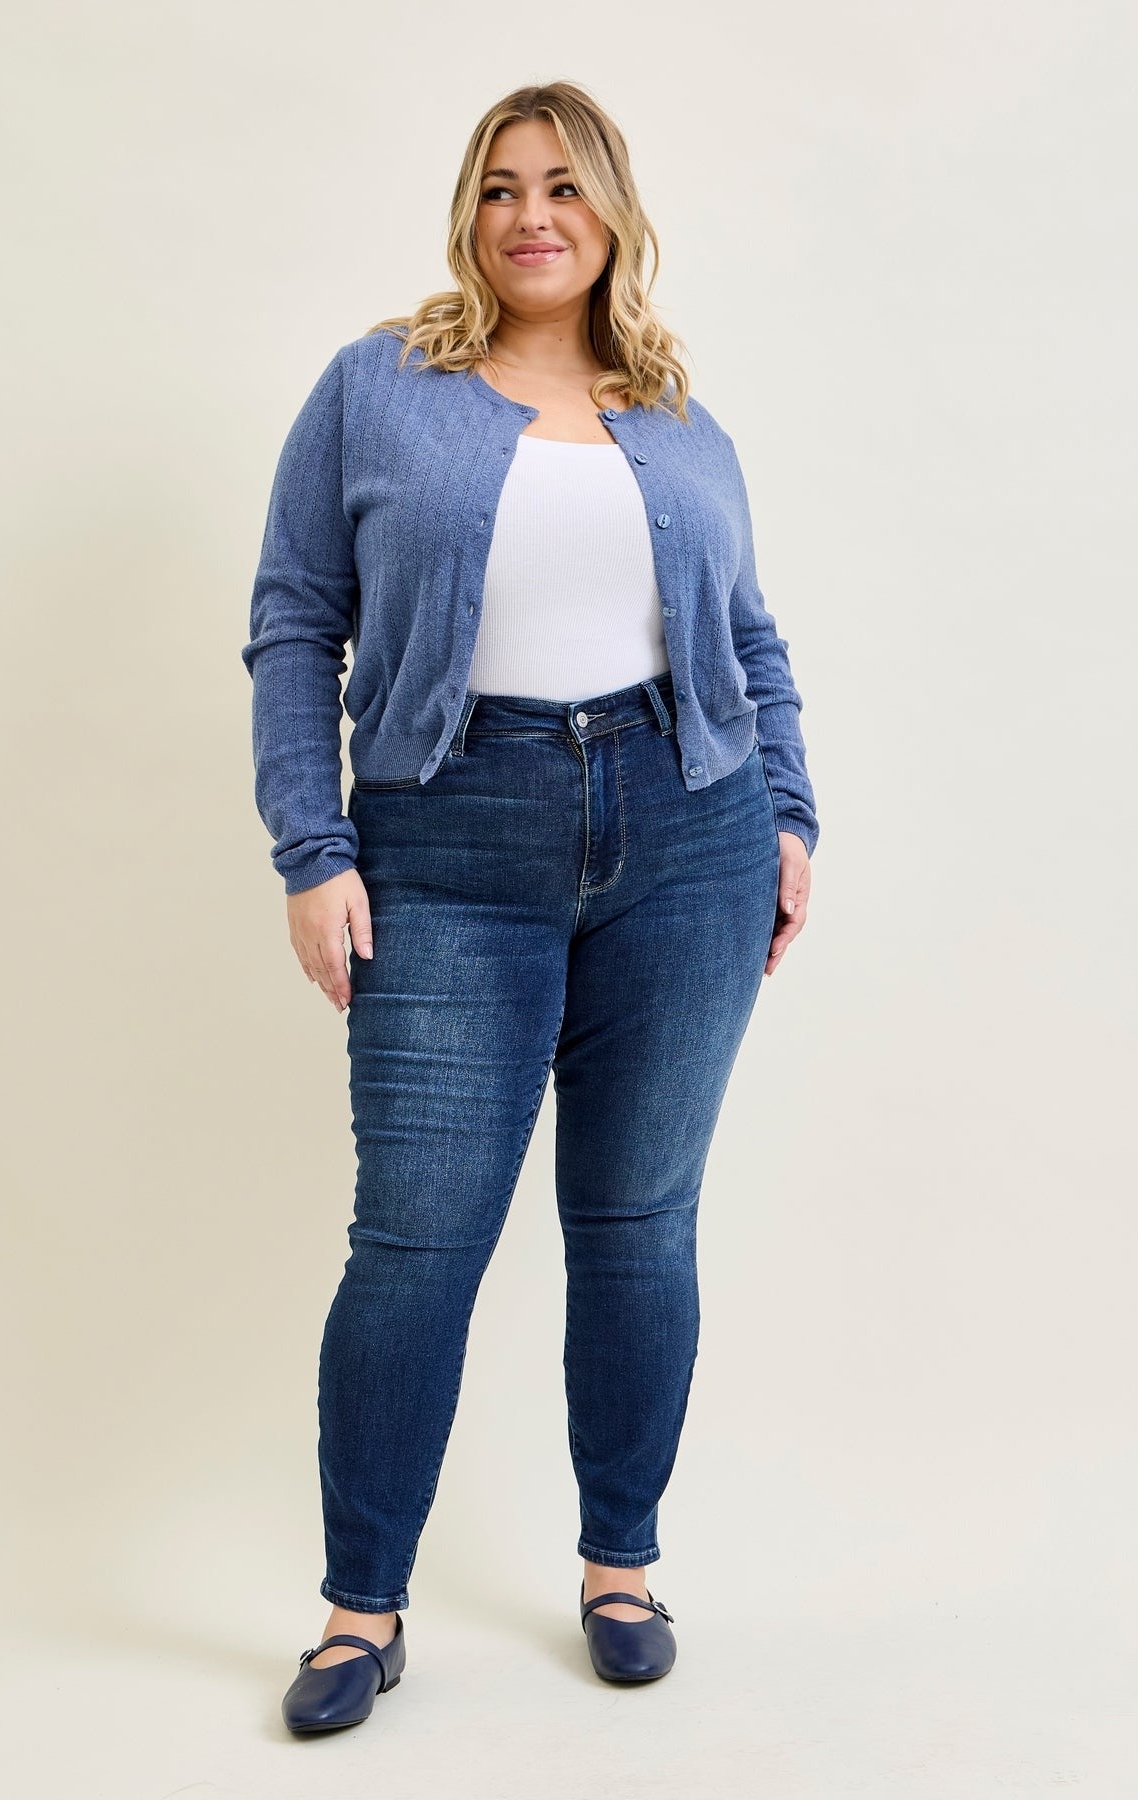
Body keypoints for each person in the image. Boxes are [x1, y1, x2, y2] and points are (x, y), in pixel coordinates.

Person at [241, 79, 820, 1735]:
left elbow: (749, 637)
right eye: (499, 187)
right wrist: (311, 848)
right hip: (447, 841)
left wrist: (786, 813)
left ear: (611, 213)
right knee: (416, 1239)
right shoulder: (378, 386)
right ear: (468, 216)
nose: (529, 215)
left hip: (688, 837)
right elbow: (295, 618)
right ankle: (361, 1610)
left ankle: (619, 1567)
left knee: (637, 1222)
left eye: (562, 185)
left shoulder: (680, 421)